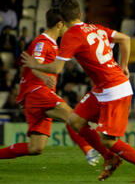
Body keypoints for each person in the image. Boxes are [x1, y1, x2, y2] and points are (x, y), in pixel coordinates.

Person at [21, 0, 135, 183]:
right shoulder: (96, 28)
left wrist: (33, 65)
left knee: (108, 140)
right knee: (76, 121)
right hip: (103, 88)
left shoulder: (71, 35)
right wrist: (123, 66)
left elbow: (56, 69)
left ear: (62, 18)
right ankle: (110, 158)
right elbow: (125, 39)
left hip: (114, 90)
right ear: (79, 14)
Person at [0, 9, 101, 166]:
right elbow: (34, 64)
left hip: (37, 95)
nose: (68, 29)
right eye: (67, 25)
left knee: (36, 147)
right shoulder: (43, 42)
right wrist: (44, 77)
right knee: (72, 117)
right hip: (37, 92)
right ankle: (89, 150)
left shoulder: (52, 44)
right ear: (60, 24)